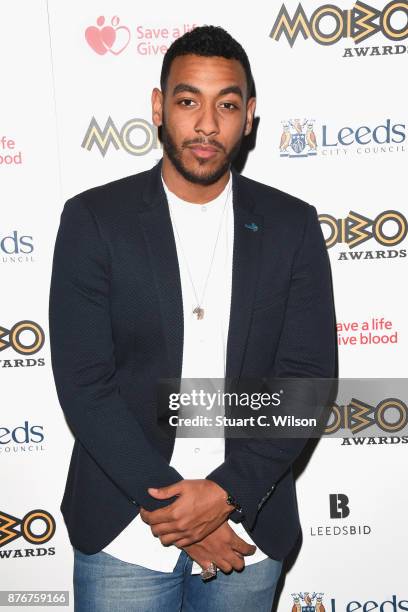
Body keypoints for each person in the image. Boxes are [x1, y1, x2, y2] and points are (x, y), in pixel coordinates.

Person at [49, 25, 336, 612]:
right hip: (124, 532)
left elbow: (306, 383)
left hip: (248, 529)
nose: (207, 124)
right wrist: (181, 513)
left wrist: (226, 494)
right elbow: (84, 381)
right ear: (159, 107)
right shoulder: (94, 220)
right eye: (188, 101)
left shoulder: (292, 226)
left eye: (227, 104)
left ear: (250, 115)